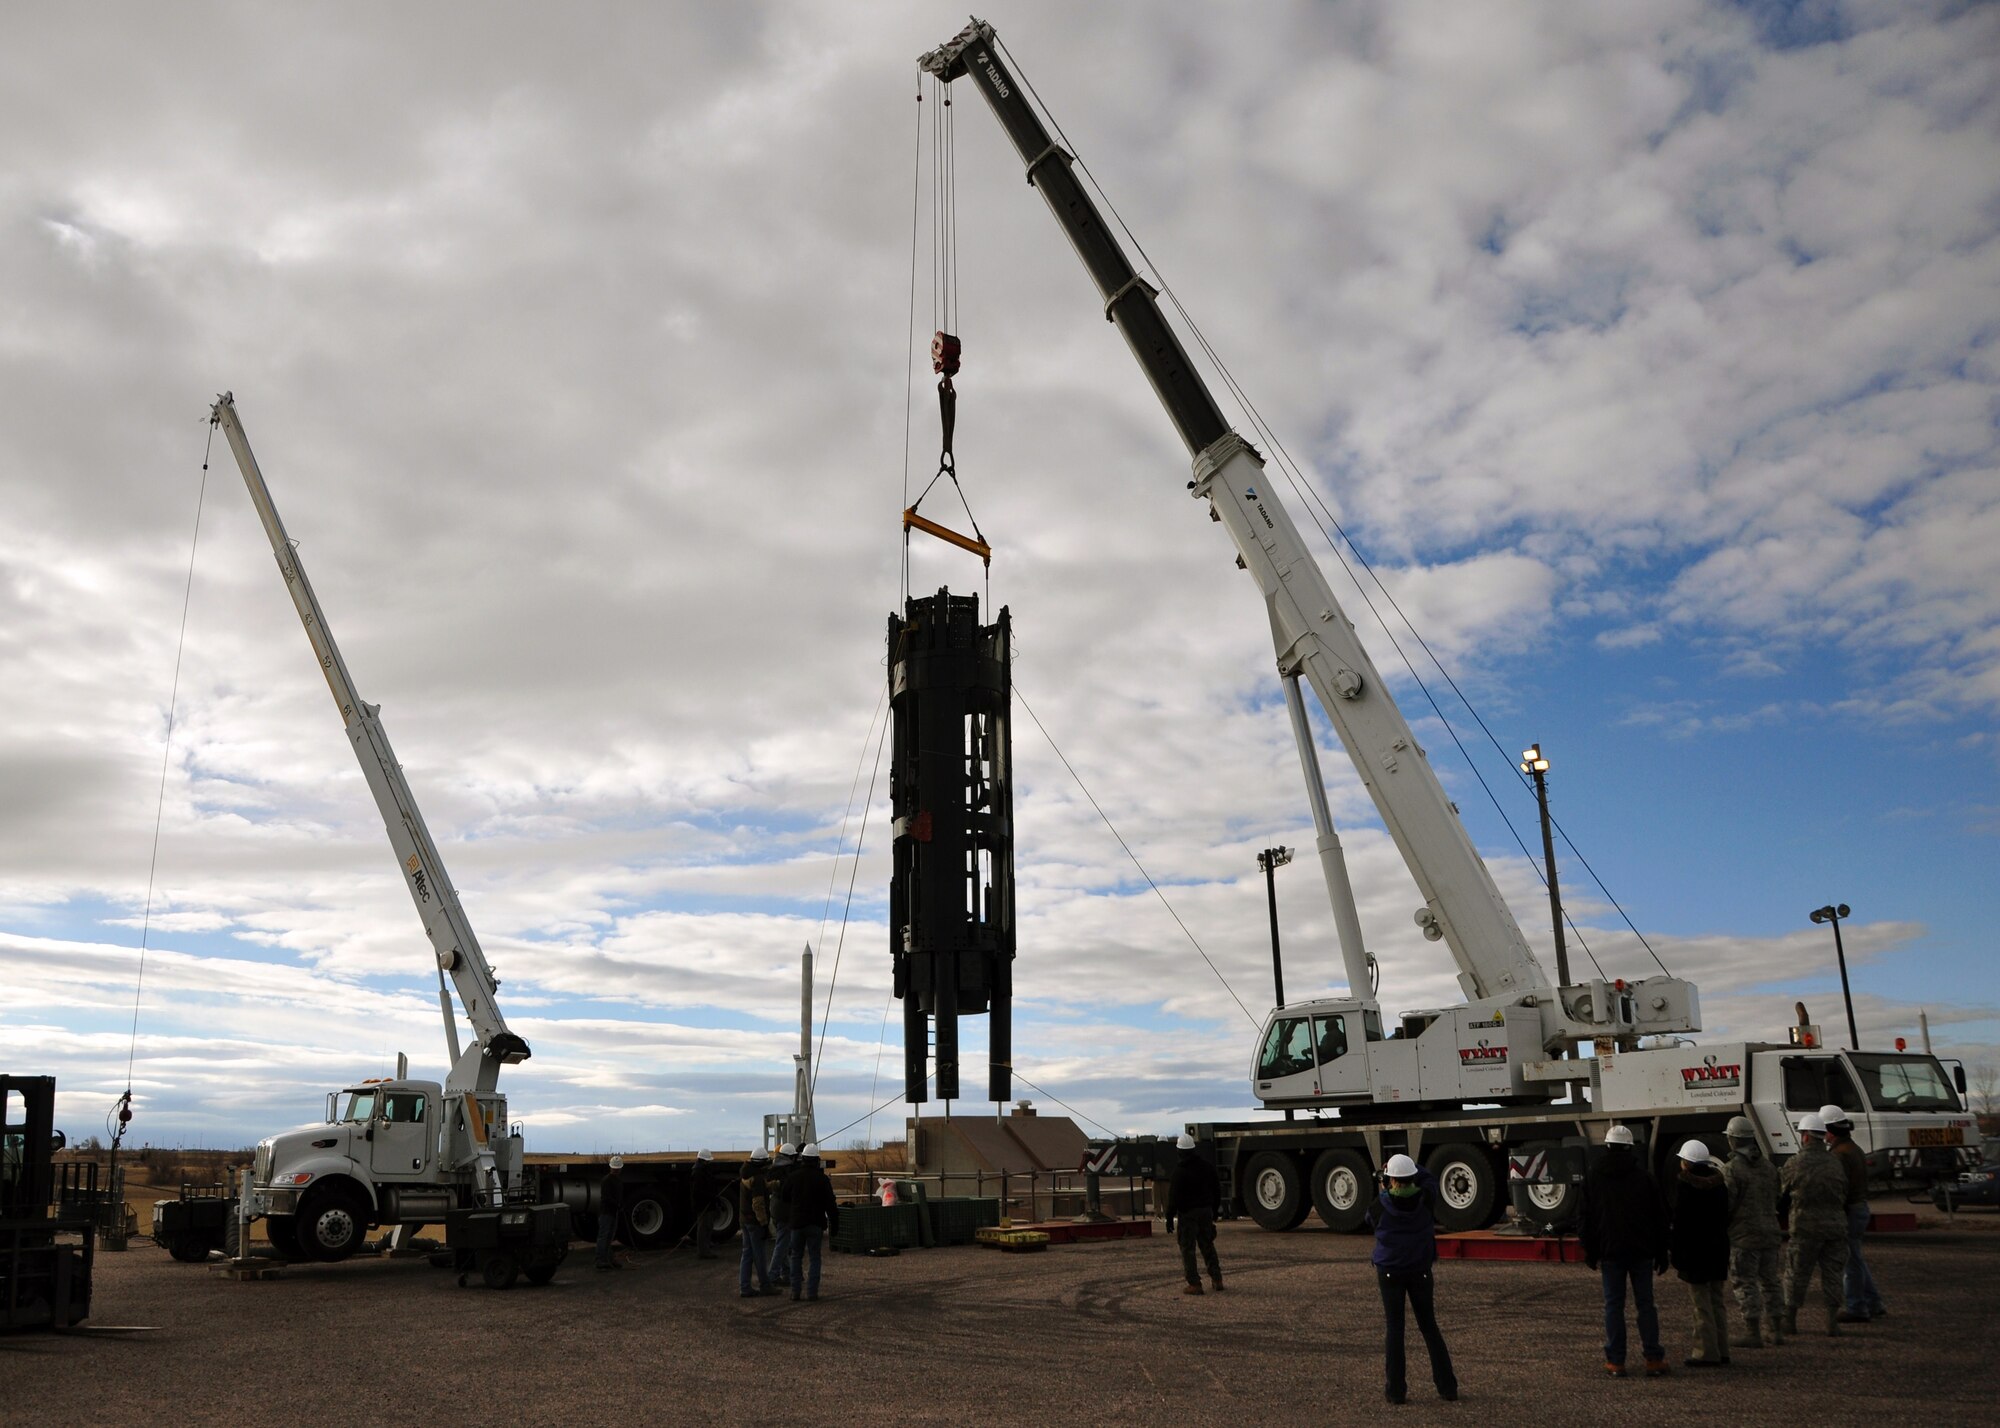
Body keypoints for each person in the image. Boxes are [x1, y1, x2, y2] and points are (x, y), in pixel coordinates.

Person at [1366, 1153, 1458, 1405]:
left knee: (1395, 1330)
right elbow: (1430, 1178)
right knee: (1429, 1327)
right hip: (1420, 1270)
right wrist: (1411, 1166)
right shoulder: (1426, 1199)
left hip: (1389, 1271)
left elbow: (1370, 1221)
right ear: (1411, 1178)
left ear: (1390, 1180)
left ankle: (1396, 1391)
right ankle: (1447, 1387)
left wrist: (1386, 1181)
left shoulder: (1379, 1206)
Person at [1580, 1124, 1671, 1377]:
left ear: (1607, 1146)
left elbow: (1586, 1217)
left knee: (1613, 1306)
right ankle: (1653, 1359)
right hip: (1641, 1252)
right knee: (1646, 1305)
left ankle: (1616, 1362)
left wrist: (1590, 1250)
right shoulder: (1644, 1178)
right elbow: (1660, 1218)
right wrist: (1662, 1251)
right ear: (1630, 1148)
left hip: (1610, 1252)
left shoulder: (1594, 1177)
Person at [1778, 1112, 1850, 1337]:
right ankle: (1831, 1322)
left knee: (1797, 1274)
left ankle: (1789, 1320)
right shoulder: (1836, 1162)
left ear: (1806, 1137)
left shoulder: (1795, 1163)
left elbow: (1780, 1191)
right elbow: (1844, 1191)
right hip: (1835, 1227)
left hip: (1805, 1228)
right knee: (1833, 1274)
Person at [1720, 1115, 1784, 1347]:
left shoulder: (1731, 1170)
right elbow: (1778, 1195)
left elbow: (1726, 1204)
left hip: (1743, 1235)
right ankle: (1776, 1330)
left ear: (1733, 1140)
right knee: (1771, 1281)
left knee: (1745, 1282)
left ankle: (1753, 1331)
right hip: (1770, 1232)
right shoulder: (1768, 1166)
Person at [1668, 1139, 1732, 1367]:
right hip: (1718, 1251)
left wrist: (1676, 1254)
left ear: (1687, 1162)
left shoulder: (1685, 1187)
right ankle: (1722, 1349)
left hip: (1695, 1254)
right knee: (1717, 1301)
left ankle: (1706, 1352)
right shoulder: (1720, 1185)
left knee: (1700, 1304)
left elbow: (1681, 1224)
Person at [1820, 1105, 1885, 1323]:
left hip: (1849, 1211)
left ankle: (1856, 1307)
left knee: (1851, 1262)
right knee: (1855, 1257)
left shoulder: (1839, 1155)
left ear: (1830, 1130)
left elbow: (1839, 1188)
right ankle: (1873, 1302)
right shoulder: (1854, 1149)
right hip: (1860, 1208)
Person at [1164, 1132, 1223, 1295]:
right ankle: (1217, 1279)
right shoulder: (1207, 1167)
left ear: (1179, 1151)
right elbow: (1216, 1189)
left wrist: (1169, 1219)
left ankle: (1194, 1283)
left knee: (1187, 1249)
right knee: (1207, 1245)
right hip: (1206, 1212)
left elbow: (1173, 1198)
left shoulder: (1179, 1172)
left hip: (1188, 1215)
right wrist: (1215, 1210)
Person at [783, 1143, 840, 1302]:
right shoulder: (822, 1179)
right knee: (815, 1258)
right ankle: (812, 1292)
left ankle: (795, 1292)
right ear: (816, 1160)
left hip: (796, 1224)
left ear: (803, 1159)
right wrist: (834, 1224)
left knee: (796, 1257)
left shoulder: (793, 1177)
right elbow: (830, 1203)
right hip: (815, 1224)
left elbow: (784, 1196)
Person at [737, 1147, 775, 1298]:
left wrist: (775, 1184)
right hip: (755, 1222)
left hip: (744, 1220)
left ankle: (744, 1287)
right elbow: (758, 1203)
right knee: (759, 1255)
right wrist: (764, 1223)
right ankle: (765, 1285)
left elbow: (761, 1188)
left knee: (747, 1254)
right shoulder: (758, 1178)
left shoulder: (746, 1174)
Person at [767, 1143, 797, 1288]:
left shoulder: (773, 1168)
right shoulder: (787, 1171)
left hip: (775, 1209)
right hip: (784, 1211)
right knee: (782, 1244)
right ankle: (773, 1274)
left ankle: (787, 1272)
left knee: (783, 1243)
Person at [690, 1148, 721, 1260]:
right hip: (703, 1205)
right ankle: (703, 1251)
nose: (709, 1162)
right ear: (704, 1160)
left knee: (708, 1226)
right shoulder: (698, 1172)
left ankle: (706, 1246)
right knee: (704, 1227)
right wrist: (711, 1196)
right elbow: (698, 1191)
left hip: (707, 1203)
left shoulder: (702, 1170)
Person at [596, 1156, 625, 1271]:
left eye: (617, 1169)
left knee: (609, 1236)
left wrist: (620, 1205)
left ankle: (608, 1259)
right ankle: (600, 1260)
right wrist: (618, 1205)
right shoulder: (607, 1181)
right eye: (615, 1169)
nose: (616, 1170)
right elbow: (606, 1198)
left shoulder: (617, 1180)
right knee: (604, 1236)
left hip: (613, 1212)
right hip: (606, 1212)